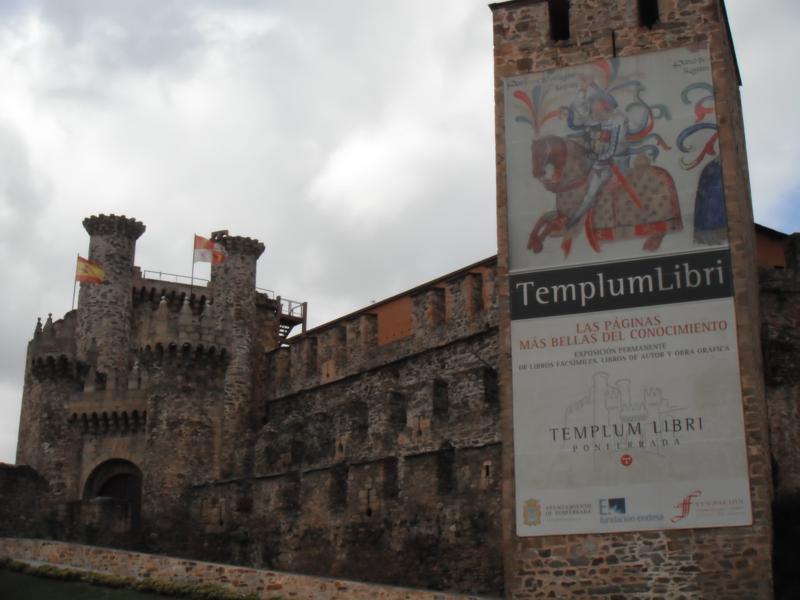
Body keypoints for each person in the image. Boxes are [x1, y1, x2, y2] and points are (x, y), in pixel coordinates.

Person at [566, 75, 631, 228]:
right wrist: (584, 88)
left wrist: (598, 162)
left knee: (600, 192)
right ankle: (573, 219)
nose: (592, 109)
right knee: (585, 188)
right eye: (592, 106)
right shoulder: (592, 118)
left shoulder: (618, 120)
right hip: (599, 161)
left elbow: (614, 146)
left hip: (616, 163)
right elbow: (577, 106)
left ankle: (578, 219)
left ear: (605, 106)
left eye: (595, 106)